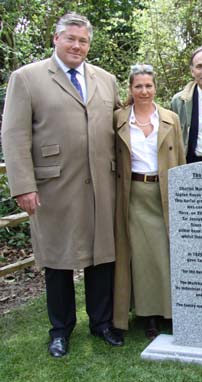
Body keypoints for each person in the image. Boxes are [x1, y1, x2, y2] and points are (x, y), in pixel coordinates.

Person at [1, 13, 122, 357]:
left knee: (102, 257)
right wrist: (23, 185)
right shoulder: (27, 78)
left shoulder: (106, 79)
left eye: (83, 40)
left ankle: (101, 323)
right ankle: (60, 330)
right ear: (56, 39)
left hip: (102, 184)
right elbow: (13, 135)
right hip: (53, 186)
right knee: (58, 260)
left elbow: (119, 126)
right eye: (71, 38)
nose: (77, 46)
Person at [112, 64, 185, 339]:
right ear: (130, 89)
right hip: (133, 194)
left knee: (166, 253)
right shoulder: (119, 119)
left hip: (163, 192)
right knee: (142, 257)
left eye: (148, 86)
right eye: (138, 86)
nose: (144, 91)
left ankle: (172, 311)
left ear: (156, 88)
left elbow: (179, 157)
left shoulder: (171, 118)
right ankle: (148, 315)